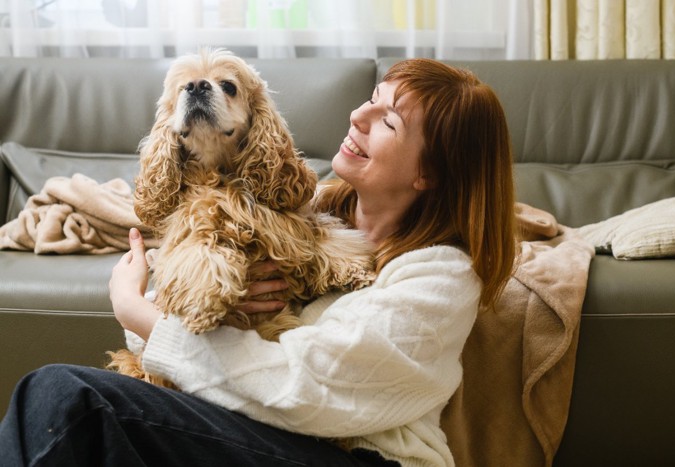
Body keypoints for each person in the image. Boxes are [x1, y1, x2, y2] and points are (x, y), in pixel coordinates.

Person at [0, 58, 516, 467]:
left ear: (429, 171)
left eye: (388, 120)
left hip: (359, 456)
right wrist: (184, 309)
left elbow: (305, 387)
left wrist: (134, 308)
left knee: (68, 401)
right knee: (52, 407)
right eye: (370, 100)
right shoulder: (294, 212)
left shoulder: (440, 276)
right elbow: (171, 329)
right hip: (245, 425)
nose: (357, 116)